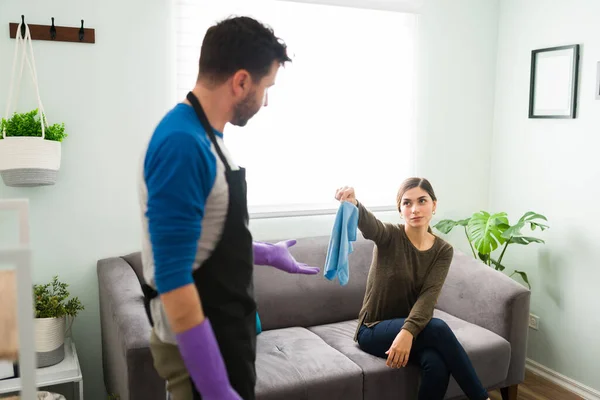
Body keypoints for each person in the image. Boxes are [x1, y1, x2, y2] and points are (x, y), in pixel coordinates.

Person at [138, 16, 319, 400]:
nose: (266, 100)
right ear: (240, 81)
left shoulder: (207, 137)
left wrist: (263, 253)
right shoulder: (183, 144)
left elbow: (201, 237)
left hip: (224, 332)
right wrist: (217, 389)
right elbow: (174, 277)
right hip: (200, 347)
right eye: (266, 86)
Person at [335, 178, 491, 400]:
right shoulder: (390, 236)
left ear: (434, 205)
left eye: (422, 201)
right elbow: (371, 226)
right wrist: (354, 203)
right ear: (400, 210)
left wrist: (407, 333)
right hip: (373, 329)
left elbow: (428, 297)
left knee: (437, 364)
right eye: (407, 203)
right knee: (438, 328)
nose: (415, 209)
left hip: (413, 331)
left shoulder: (442, 250)